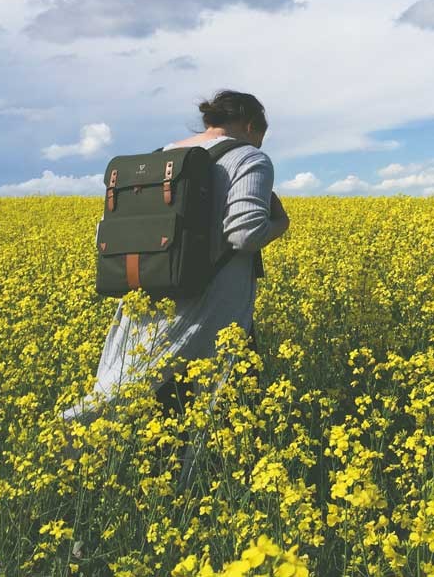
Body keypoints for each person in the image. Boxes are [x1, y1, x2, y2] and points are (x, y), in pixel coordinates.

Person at [59, 90, 290, 478]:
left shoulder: (159, 157)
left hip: (152, 297)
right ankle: (222, 494)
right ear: (251, 126)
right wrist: (280, 224)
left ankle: (153, 489)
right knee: (232, 412)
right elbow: (245, 234)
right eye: (259, 137)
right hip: (214, 308)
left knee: (161, 409)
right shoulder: (248, 157)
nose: (257, 145)